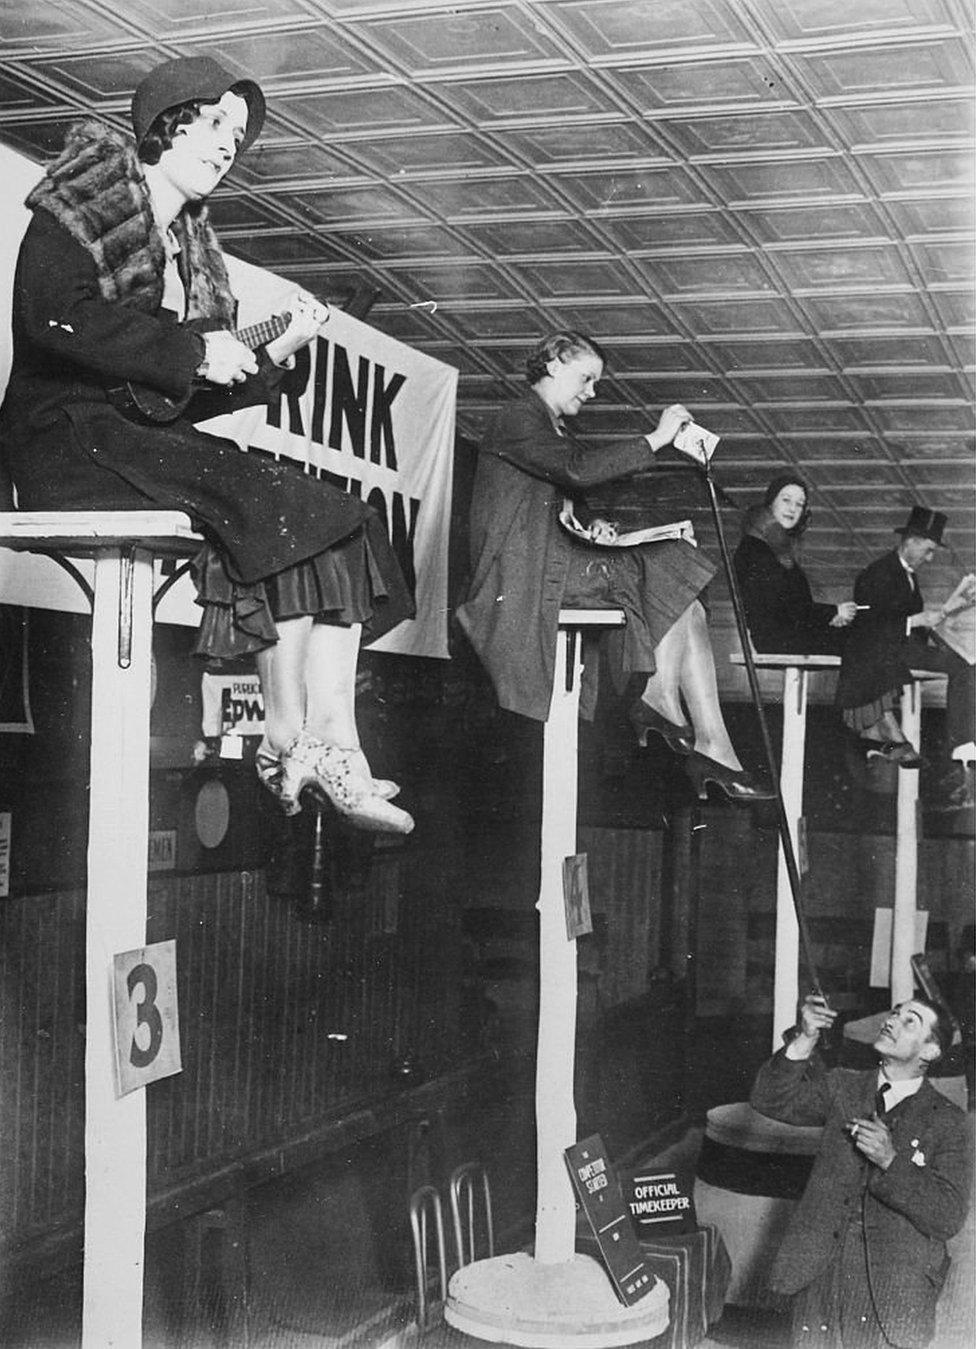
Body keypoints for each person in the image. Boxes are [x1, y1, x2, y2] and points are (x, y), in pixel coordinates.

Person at [0, 56, 415, 835]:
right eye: (216, 124)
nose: (232, 144)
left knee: (336, 515)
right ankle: (296, 743)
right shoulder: (79, 206)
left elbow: (164, 393)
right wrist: (193, 353)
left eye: (238, 133)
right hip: (62, 444)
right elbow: (52, 317)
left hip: (121, 438)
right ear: (166, 124)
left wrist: (271, 355)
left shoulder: (183, 248)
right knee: (277, 504)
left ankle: (322, 745)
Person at [456, 330, 773, 803]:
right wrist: (658, 438)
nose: (592, 391)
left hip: (550, 564)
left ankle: (713, 745)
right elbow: (578, 472)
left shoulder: (545, 427)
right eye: (587, 378)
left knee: (691, 602)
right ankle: (662, 704)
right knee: (677, 561)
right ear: (557, 361)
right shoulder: (517, 417)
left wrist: (594, 523)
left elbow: (555, 500)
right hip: (521, 579)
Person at [750, 993, 970, 1349]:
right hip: (818, 1272)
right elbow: (769, 1099)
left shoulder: (948, 1120)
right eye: (895, 1013)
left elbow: (948, 1216)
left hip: (892, 1289)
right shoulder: (843, 1086)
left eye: (909, 1021)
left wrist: (890, 1162)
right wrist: (806, 1037)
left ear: (930, 1051)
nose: (891, 1020)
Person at [834, 506, 975, 785]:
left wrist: (950, 610)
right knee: (962, 667)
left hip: (902, 647)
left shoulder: (907, 574)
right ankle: (961, 743)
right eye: (929, 549)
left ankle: (960, 742)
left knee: (965, 664)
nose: (931, 558)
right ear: (910, 540)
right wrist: (915, 620)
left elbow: (911, 621)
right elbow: (869, 625)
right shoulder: (876, 573)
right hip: (884, 649)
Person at [734, 475, 857, 656]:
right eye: (786, 500)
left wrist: (831, 617)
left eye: (799, 504)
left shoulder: (777, 547)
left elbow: (795, 607)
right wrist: (832, 612)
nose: (792, 509)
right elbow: (786, 609)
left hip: (789, 635)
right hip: (777, 640)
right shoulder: (755, 548)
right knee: (862, 640)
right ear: (770, 503)